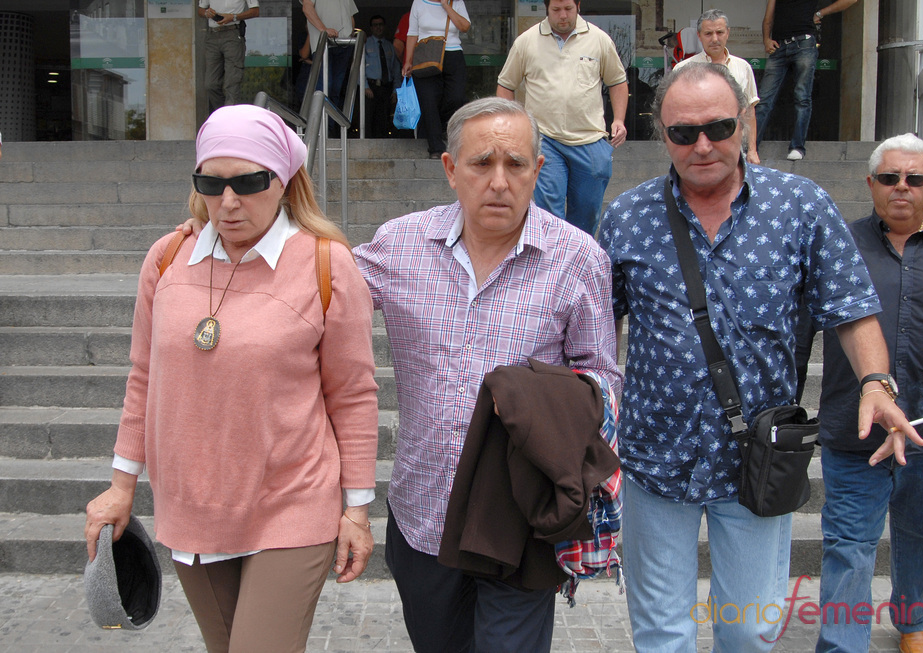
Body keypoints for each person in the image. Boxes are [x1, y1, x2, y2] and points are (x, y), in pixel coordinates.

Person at [598, 62, 919, 652]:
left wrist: (877, 382)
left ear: (746, 120)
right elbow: (594, 327)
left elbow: (849, 306)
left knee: (749, 629)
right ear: (659, 134)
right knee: (659, 631)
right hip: (653, 458)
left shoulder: (800, 205)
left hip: (759, 459)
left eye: (719, 127)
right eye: (682, 132)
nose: (702, 145)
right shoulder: (627, 217)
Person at [85, 104, 379, 652]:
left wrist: (357, 510)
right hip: (191, 506)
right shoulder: (167, 258)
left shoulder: (326, 264)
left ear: (285, 181)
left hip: (291, 503)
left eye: (248, 181)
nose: (229, 202)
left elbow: (354, 396)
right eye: (211, 183)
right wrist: (121, 485)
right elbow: (144, 377)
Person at [354, 97, 622, 652]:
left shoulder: (578, 257)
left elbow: (603, 378)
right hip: (423, 510)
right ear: (451, 170)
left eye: (516, 164)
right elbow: (315, 287)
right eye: (481, 164)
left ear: (538, 172)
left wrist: (540, 401)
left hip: (520, 516)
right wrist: (219, 225)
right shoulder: (399, 244)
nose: (499, 181)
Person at [806, 134, 923, 653]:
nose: (901, 188)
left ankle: (911, 620)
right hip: (856, 426)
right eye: (889, 178)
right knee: (848, 542)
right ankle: (842, 644)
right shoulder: (839, 243)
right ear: (871, 184)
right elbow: (798, 327)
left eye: (915, 179)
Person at [497, 0, 628, 237]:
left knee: (587, 212)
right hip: (545, 139)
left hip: (590, 138)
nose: (563, 15)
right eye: (556, 10)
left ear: (578, 5)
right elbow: (506, 85)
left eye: (568, 8)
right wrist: (513, 124)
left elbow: (617, 81)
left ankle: (578, 261)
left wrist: (618, 119)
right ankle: (552, 264)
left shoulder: (599, 39)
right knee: (548, 211)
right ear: (547, 9)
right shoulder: (526, 41)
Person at [754, 0, 857, 161]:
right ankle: (752, 148)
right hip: (779, 45)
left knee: (802, 97)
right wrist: (766, 39)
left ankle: (797, 146)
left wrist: (821, 13)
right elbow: (768, 17)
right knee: (763, 101)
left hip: (804, 42)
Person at [674, 9, 760, 164]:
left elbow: (749, 112)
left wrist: (752, 150)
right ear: (699, 36)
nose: (714, 39)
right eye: (708, 34)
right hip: (694, 147)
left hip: (733, 148)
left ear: (728, 33)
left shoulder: (743, 67)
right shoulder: (682, 69)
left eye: (719, 32)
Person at [401, 0, 471, 158]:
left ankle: (443, 127)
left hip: (453, 55)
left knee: (456, 97)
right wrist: (408, 61)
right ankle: (436, 147)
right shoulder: (419, 3)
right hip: (426, 55)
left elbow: (465, 27)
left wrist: (446, 6)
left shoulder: (456, 2)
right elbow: (412, 33)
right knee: (428, 101)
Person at [198, 0, 260, 113]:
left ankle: (230, 120)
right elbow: (200, 10)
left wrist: (233, 17)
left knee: (232, 83)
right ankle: (223, 115)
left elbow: (255, 11)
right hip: (212, 34)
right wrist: (207, 13)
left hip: (233, 33)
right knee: (210, 84)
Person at [302, 0, 358, 121]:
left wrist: (350, 36)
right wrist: (324, 29)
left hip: (344, 45)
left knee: (336, 89)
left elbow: (350, 16)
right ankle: (320, 128)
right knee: (324, 87)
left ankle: (330, 129)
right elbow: (307, 8)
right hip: (323, 44)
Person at [364, 15, 399, 138]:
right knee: (368, 118)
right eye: (375, 25)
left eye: (380, 24)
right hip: (370, 87)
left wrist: (395, 90)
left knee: (384, 118)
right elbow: (358, 66)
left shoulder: (390, 46)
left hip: (386, 88)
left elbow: (396, 69)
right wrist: (365, 86)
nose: (378, 27)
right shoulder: (365, 44)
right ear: (371, 28)